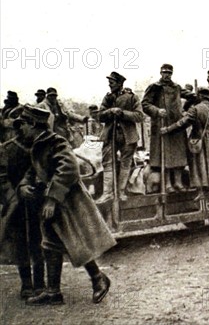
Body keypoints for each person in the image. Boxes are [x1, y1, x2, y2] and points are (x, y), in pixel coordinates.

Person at [14, 105, 115, 306]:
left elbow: (69, 169)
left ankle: (99, 279)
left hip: (67, 201)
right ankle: (53, 292)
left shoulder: (55, 141)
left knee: (75, 241)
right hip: (53, 202)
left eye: (23, 124)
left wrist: (52, 199)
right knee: (50, 244)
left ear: (33, 124)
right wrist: (24, 185)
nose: (21, 129)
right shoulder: (37, 144)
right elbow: (33, 171)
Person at [0, 107, 45, 300]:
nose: (20, 129)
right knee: (20, 243)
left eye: (23, 125)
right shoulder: (7, 149)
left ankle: (41, 284)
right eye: (18, 125)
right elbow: (2, 178)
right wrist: (14, 196)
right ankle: (26, 283)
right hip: (16, 205)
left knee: (40, 242)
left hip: (38, 202)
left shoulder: (40, 146)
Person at [161, 88, 209, 195]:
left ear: (200, 96)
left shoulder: (195, 109)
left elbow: (183, 123)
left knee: (199, 164)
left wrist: (168, 129)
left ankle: (200, 191)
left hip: (200, 138)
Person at [96, 72, 145, 203]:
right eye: (109, 83)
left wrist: (122, 113)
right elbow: (99, 116)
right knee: (107, 163)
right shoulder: (108, 98)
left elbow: (140, 116)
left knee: (125, 164)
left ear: (119, 84)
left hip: (128, 136)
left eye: (111, 83)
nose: (109, 85)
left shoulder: (131, 97)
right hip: (110, 134)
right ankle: (107, 193)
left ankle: (121, 192)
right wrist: (110, 111)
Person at [142, 64, 188, 192]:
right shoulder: (154, 87)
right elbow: (145, 104)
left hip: (176, 125)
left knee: (178, 154)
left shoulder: (176, 87)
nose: (167, 75)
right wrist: (156, 111)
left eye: (169, 73)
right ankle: (168, 184)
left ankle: (178, 182)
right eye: (164, 72)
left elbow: (191, 96)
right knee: (165, 155)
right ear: (160, 73)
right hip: (161, 125)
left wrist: (185, 111)